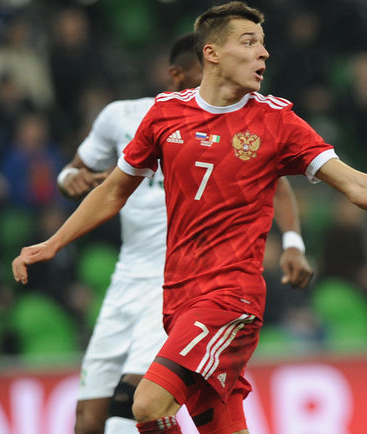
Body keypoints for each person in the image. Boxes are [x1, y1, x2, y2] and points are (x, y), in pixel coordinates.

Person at [12, 2, 367, 433]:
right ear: (212, 53)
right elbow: (112, 191)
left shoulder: (277, 121)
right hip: (177, 297)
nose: (264, 52)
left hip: (228, 297)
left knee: (146, 406)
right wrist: (52, 243)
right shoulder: (164, 114)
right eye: (249, 42)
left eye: (263, 44)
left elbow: (354, 184)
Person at [57, 32, 312, 434]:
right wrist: (68, 179)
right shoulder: (127, 116)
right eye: (200, 75)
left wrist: (293, 242)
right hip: (126, 279)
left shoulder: (236, 121)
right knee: (88, 420)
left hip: (182, 281)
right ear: (177, 74)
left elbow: (276, 183)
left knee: (134, 403)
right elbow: (79, 171)